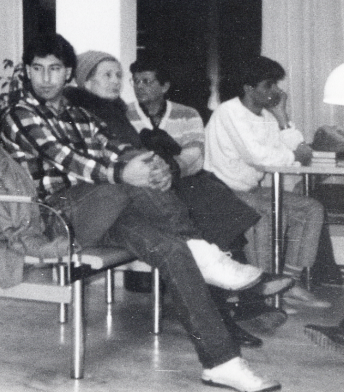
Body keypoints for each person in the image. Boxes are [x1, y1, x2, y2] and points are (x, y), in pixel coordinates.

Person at [1, 34, 279, 392]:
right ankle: (204, 251)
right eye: (37, 69)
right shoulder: (21, 113)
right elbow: (68, 158)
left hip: (104, 211)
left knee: (173, 251)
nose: (45, 78)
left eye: (54, 69)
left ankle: (222, 362)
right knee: (126, 182)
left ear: (67, 72)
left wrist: (154, 166)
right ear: (27, 71)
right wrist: (126, 172)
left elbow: (115, 146)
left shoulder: (78, 113)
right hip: (57, 215)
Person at [69, 51, 288, 347]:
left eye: (119, 75)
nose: (120, 82)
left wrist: (163, 166)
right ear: (86, 80)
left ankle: (243, 298)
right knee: (202, 209)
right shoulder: (86, 111)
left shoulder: (112, 110)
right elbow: (113, 160)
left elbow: (156, 152)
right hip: (119, 199)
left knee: (207, 190)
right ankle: (238, 305)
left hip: (144, 185)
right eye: (109, 75)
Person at [204, 55, 330, 310]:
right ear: (249, 88)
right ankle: (264, 292)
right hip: (221, 190)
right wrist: (295, 155)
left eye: (275, 85)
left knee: (311, 209)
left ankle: (288, 283)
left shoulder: (268, 117)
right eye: (268, 85)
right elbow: (259, 157)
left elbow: (298, 151)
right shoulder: (229, 111)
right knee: (268, 215)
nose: (276, 91)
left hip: (251, 189)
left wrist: (282, 115)